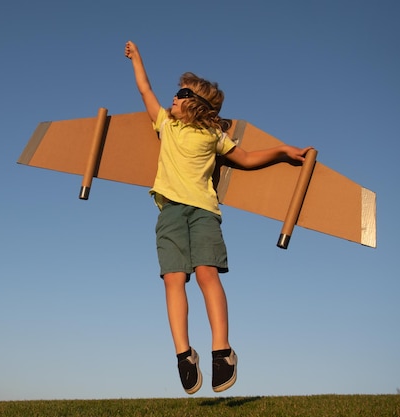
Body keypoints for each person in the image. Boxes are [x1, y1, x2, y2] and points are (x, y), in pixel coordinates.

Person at [124, 40, 312, 394]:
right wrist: (138, 59)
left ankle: (221, 352)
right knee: (173, 279)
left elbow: (246, 158)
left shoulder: (213, 135)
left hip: (205, 212)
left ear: (195, 103)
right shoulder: (165, 124)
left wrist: (284, 151)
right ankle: (184, 355)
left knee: (208, 273)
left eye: (180, 93)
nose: (173, 98)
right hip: (170, 212)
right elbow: (144, 88)